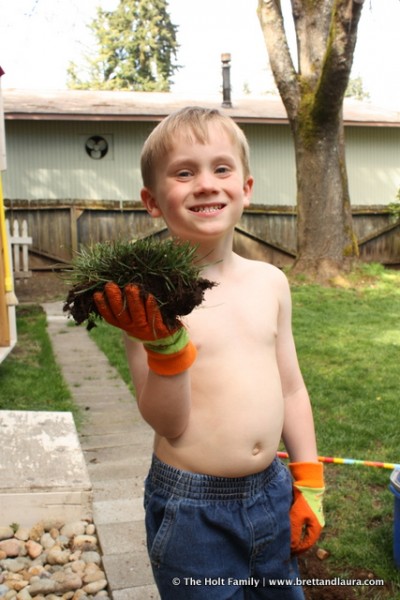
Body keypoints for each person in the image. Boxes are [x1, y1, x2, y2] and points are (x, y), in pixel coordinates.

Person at [93, 106, 325, 599]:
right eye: (184, 172)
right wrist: (168, 349)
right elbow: (167, 422)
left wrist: (309, 477)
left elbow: (291, 387)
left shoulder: (271, 282)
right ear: (152, 201)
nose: (205, 183)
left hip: (273, 491)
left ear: (245, 188)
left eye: (221, 168)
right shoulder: (146, 299)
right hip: (193, 510)